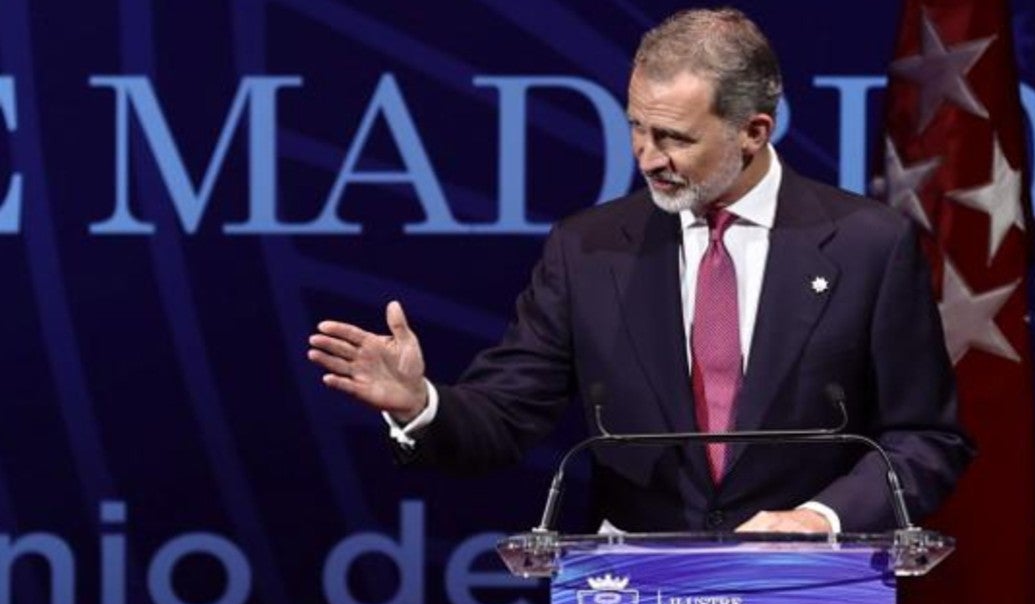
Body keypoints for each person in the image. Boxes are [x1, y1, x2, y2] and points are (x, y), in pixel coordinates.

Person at [308, 7, 972, 534]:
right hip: (641, 592)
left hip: (811, 591)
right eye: (636, 128)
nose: (648, 157)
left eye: (675, 138)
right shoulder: (588, 249)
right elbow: (505, 415)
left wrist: (820, 519)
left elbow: (926, 438)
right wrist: (420, 405)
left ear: (754, 131)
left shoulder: (867, 246)